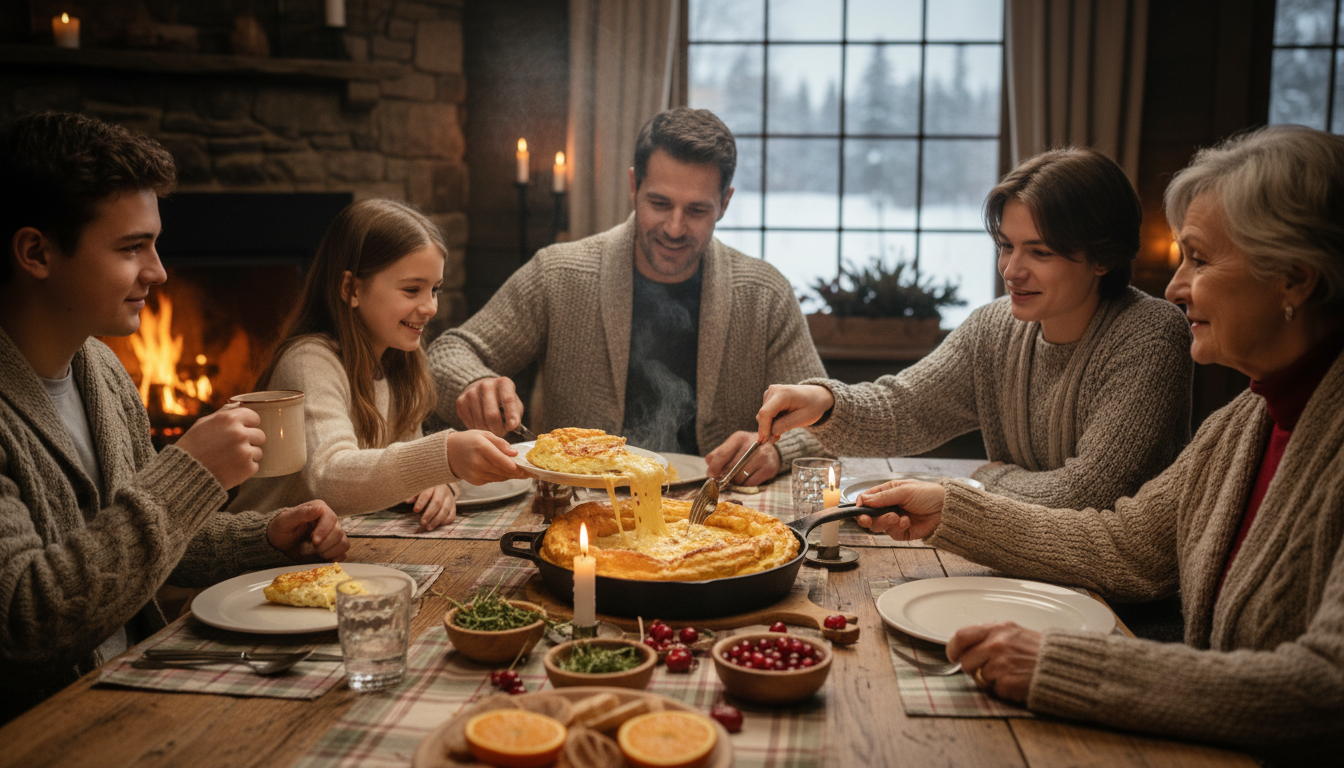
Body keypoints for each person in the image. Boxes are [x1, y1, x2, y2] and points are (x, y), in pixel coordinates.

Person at [851, 125, 1344, 760]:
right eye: (1006, 245)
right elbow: (1127, 545)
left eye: (1199, 258)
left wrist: (1066, 667)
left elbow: (1326, 690)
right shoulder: (1247, 420)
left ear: (1294, 280)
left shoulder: (1170, 349)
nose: (1176, 286)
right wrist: (952, 507)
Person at [0, 112, 351, 722]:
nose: (159, 270)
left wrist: (266, 536)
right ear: (36, 252)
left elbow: (145, 550)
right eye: (131, 247)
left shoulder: (102, 372)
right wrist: (189, 474)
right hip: (48, 727)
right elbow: (25, 623)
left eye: (154, 243)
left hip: (140, 683)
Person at [755, 147, 1193, 511]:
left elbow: (1086, 494)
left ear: (1103, 258)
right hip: (1019, 569)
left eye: (1038, 253)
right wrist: (825, 402)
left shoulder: (1150, 334)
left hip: (1118, 600)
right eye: (1006, 246)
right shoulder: (995, 326)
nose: (1011, 270)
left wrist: (988, 479)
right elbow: (905, 409)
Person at [427, 107, 828, 486]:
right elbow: (447, 354)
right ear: (634, 186)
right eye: (659, 203)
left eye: (696, 211)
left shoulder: (763, 294)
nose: (674, 227)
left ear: (724, 203)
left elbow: (825, 422)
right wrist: (475, 381)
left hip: (714, 516)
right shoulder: (559, 274)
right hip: (581, 510)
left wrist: (777, 452)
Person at [229, 200, 525, 530]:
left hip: (335, 546)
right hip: (259, 555)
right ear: (351, 288)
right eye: (412, 289)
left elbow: (401, 464)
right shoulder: (309, 360)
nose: (429, 307)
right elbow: (329, 478)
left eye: (435, 290)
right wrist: (444, 458)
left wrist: (440, 483)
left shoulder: (400, 361)